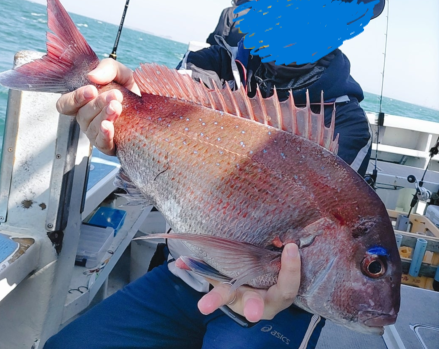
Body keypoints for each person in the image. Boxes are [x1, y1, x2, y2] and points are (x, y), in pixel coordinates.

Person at [46, 1, 386, 348]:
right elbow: (167, 108)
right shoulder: (215, 61)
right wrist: (119, 116)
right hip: (184, 274)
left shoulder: (346, 127)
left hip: (282, 309)